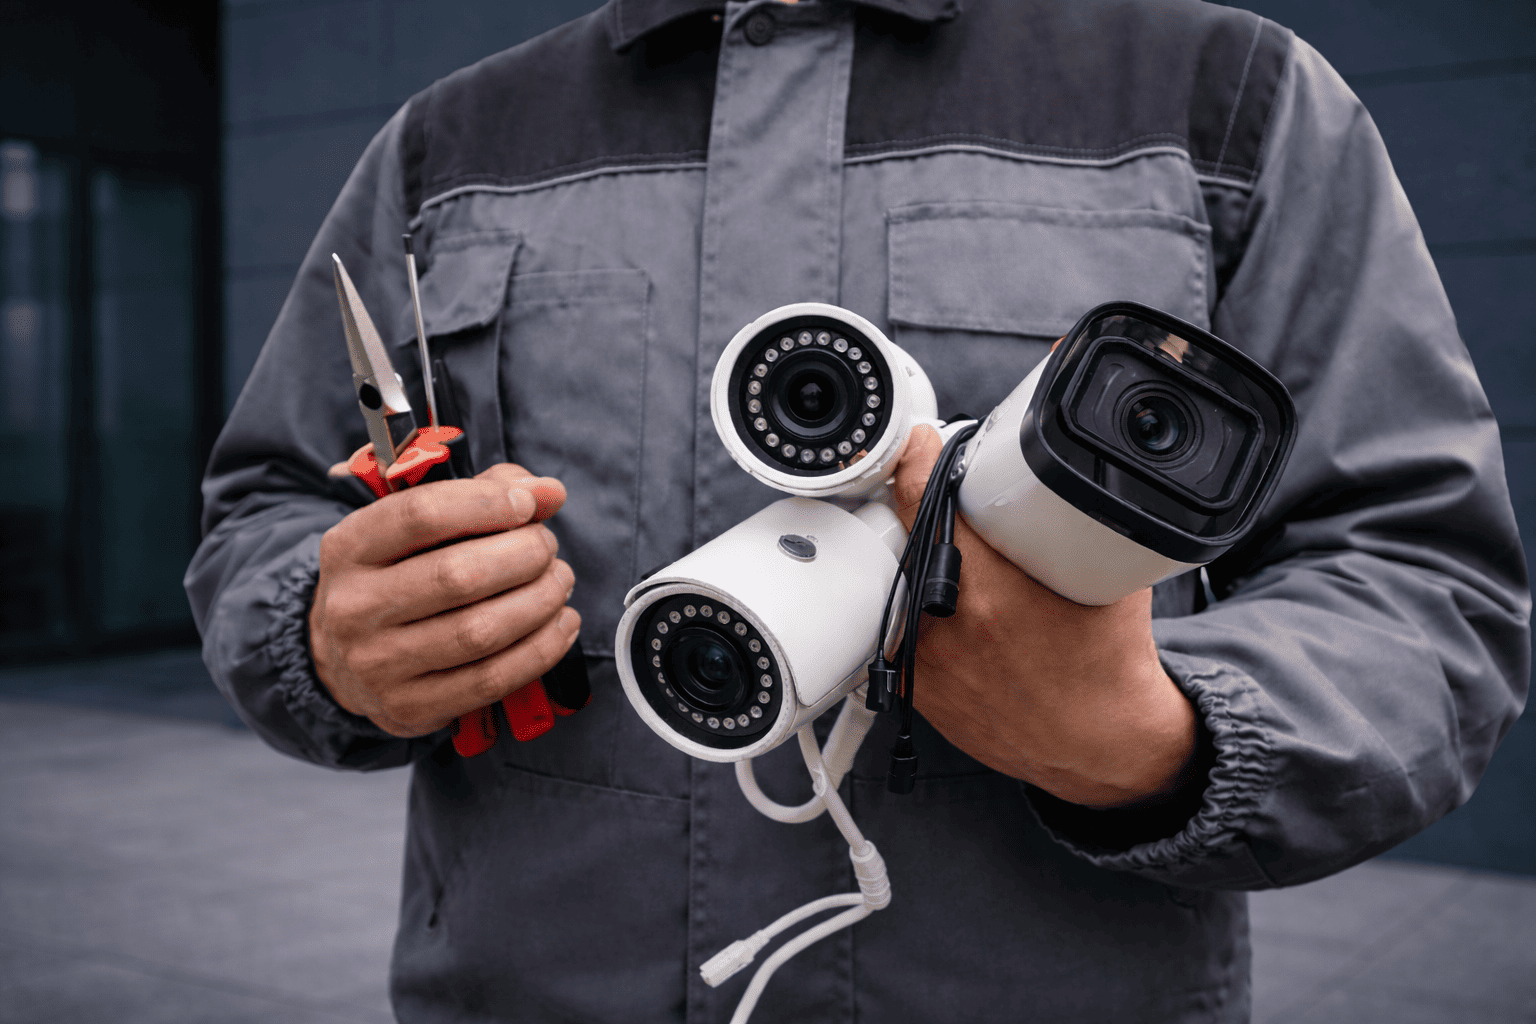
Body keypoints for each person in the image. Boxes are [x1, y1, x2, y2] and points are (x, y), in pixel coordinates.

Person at [186, 1, 1530, 1020]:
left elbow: (1421, 581)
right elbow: (267, 510)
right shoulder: (449, 146)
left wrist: (1149, 738)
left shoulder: (1223, 100)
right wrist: (326, 633)